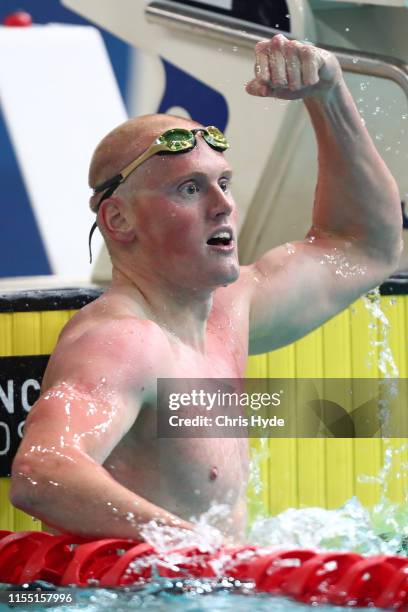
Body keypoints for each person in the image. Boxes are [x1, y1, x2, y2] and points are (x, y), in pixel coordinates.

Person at [10, 35, 401, 543]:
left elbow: (364, 245)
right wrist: (207, 554)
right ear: (119, 218)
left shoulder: (226, 312)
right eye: (189, 188)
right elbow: (43, 472)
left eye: (224, 183)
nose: (222, 206)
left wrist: (328, 95)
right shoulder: (124, 342)